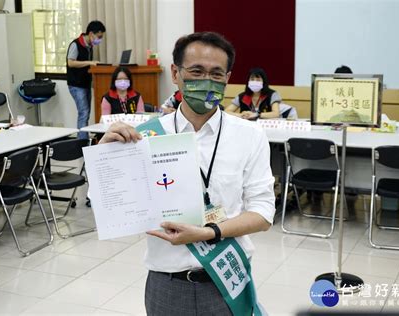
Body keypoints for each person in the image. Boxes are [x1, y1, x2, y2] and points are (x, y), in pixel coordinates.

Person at [100, 32, 275, 315]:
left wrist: (209, 232)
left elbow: (264, 212)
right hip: (167, 284)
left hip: (225, 282)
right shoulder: (145, 137)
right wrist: (106, 159)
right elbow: (113, 208)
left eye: (216, 73)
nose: (206, 80)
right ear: (175, 73)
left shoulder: (250, 135)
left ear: (228, 78)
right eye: (196, 71)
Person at [67, 20, 106, 139]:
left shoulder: (90, 46)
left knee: (86, 113)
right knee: (83, 113)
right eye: (99, 37)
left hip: (85, 83)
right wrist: (89, 62)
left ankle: (83, 139)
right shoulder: (75, 44)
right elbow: (71, 62)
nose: (99, 39)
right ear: (91, 34)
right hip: (76, 84)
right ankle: (81, 143)